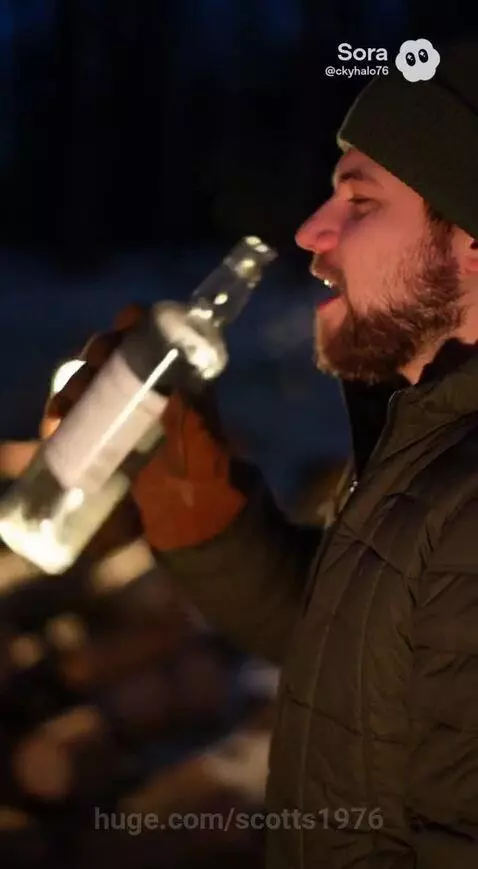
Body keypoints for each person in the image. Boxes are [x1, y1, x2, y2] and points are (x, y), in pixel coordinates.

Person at [42, 37, 478, 868]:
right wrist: (194, 498)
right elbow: (358, 646)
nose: (312, 232)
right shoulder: (428, 447)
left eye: (360, 202)